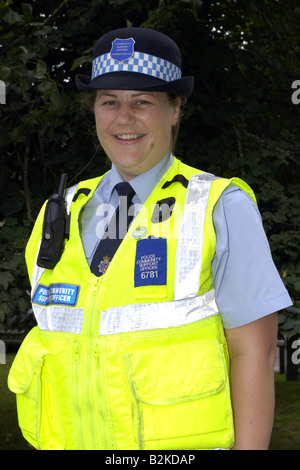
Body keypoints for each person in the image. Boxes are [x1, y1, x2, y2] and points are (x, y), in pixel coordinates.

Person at [8, 27, 292, 451]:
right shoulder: (61, 211)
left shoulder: (219, 206)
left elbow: (255, 351)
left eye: (142, 101)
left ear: (175, 109)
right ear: (95, 112)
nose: (124, 118)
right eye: (109, 102)